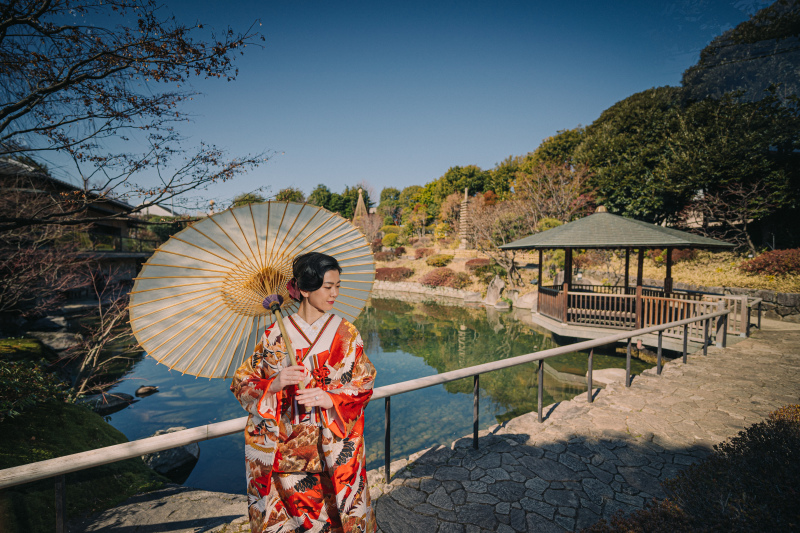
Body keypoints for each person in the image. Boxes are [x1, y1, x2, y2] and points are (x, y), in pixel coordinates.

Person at [231, 252, 377, 532]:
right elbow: (242, 383)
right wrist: (272, 384)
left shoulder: (346, 333)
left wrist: (330, 398)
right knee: (296, 523)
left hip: (335, 448)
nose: (335, 293)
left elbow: (365, 382)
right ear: (305, 289)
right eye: (328, 286)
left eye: (337, 285)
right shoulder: (274, 335)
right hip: (289, 451)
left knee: (339, 520)